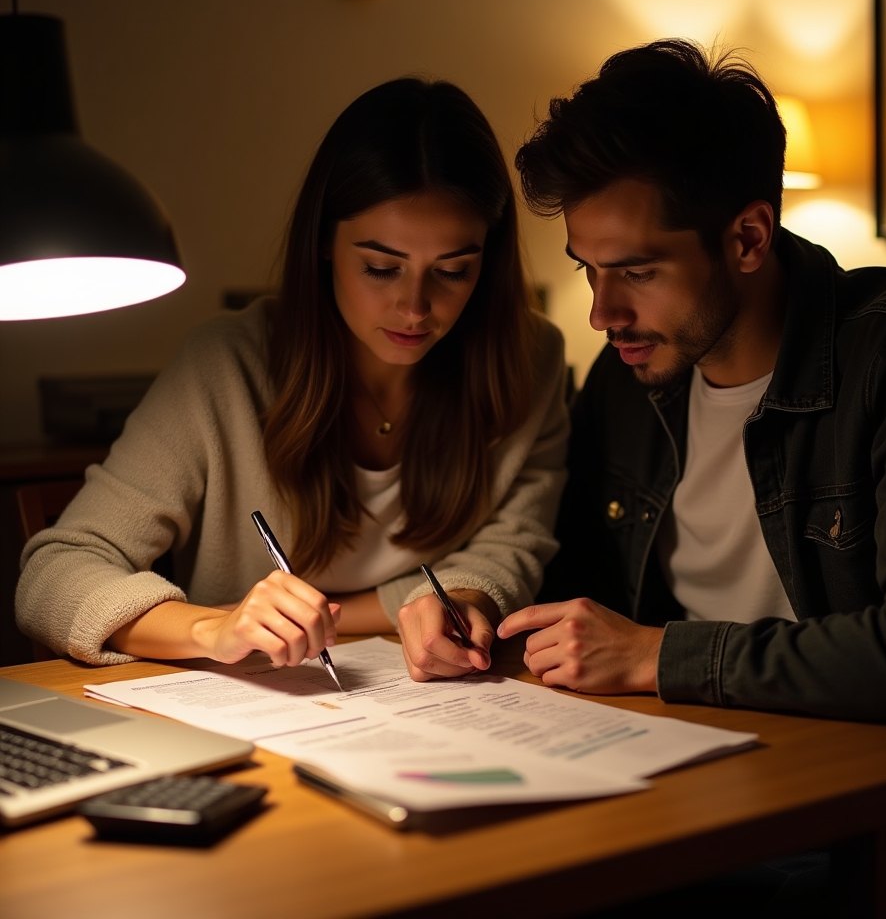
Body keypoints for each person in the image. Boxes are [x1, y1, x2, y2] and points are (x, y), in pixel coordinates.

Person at [501, 40, 886, 738]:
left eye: (638, 271)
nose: (603, 314)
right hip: (668, 750)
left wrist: (656, 656)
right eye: (587, 271)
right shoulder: (625, 377)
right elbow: (571, 591)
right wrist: (472, 608)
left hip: (866, 787)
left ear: (748, 238)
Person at [17, 78, 569, 683]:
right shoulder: (225, 366)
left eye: (454, 271)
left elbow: (511, 548)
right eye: (381, 268)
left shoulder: (529, 359)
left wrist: (460, 601)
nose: (415, 307)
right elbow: (55, 574)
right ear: (325, 244)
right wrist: (212, 627)